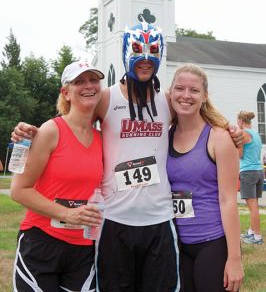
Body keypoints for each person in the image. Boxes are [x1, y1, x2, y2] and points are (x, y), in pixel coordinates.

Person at [11, 22, 243, 292]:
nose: (145, 59)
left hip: (159, 219)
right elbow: (72, 118)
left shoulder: (166, 100)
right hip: (114, 220)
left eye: (152, 52)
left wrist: (231, 130)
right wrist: (27, 132)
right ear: (125, 52)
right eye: (137, 51)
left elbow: (196, 116)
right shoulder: (105, 98)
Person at [10, 61, 105, 291]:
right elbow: (19, 190)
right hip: (42, 242)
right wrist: (67, 214)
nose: (88, 86)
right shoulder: (50, 131)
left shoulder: (103, 138)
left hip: (83, 248)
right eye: (79, 81)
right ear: (66, 92)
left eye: (93, 80)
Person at [167, 64, 244, 292]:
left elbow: (229, 200)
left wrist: (234, 258)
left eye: (194, 90)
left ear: (205, 96)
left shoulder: (219, 138)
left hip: (213, 242)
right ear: (170, 93)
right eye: (180, 88)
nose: (186, 96)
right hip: (178, 244)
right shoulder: (165, 134)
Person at [237, 110, 264, 245]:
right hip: (259, 171)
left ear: (241, 121)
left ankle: (257, 237)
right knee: (255, 205)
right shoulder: (256, 134)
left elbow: (240, 155)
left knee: (252, 207)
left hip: (248, 172)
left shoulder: (243, 133)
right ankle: (251, 232)